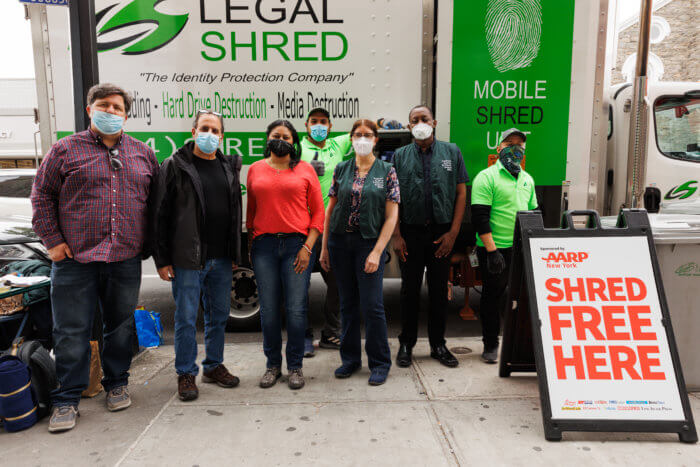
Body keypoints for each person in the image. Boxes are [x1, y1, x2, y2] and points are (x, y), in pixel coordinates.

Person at [31, 83, 159, 433]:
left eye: (118, 108)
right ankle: (67, 398)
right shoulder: (64, 150)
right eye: (104, 105)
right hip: (75, 259)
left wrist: (149, 246)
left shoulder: (142, 154)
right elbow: (41, 197)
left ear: (127, 115)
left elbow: (155, 206)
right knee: (71, 330)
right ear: (90, 110)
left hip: (124, 259)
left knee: (119, 326)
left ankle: (116, 383)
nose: (111, 112)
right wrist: (53, 242)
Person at [151, 110, 243, 401]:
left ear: (222, 135)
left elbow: (235, 211)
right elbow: (160, 215)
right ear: (193, 131)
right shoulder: (175, 165)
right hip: (187, 258)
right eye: (205, 128)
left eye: (215, 130)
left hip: (222, 257)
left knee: (218, 316)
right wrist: (162, 259)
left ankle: (214, 366)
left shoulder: (228, 166)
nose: (210, 134)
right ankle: (186, 373)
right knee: (187, 318)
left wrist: (235, 252)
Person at [319, 119, 399, 386]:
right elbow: (330, 210)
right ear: (351, 139)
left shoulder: (386, 170)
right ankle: (350, 360)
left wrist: (377, 251)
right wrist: (324, 247)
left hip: (368, 244)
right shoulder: (341, 169)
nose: (362, 139)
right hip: (340, 243)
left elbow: (391, 217)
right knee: (347, 305)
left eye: (367, 135)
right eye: (357, 135)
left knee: (372, 306)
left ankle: (379, 363)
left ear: (376, 140)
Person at [246, 120, 324, 390]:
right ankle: (272, 365)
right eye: (276, 135)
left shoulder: (305, 170)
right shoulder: (255, 169)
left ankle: (295, 366)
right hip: (264, 247)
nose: (281, 139)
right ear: (267, 139)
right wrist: (252, 244)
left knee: (295, 309)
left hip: (296, 247)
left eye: (286, 136)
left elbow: (318, 213)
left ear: (294, 141)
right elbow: (251, 213)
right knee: (268, 311)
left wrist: (307, 248)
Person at [392, 105, 468, 368]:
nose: (420, 123)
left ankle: (439, 344)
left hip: (441, 234)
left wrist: (453, 233)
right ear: (409, 126)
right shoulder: (399, 156)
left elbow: (460, 193)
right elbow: (393, 199)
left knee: (438, 292)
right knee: (408, 292)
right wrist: (397, 235)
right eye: (414, 120)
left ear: (434, 122)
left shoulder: (451, 151)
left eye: (424, 118)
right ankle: (406, 344)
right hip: (410, 234)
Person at [471, 128, 538, 363]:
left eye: (519, 145)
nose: (515, 148)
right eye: (510, 143)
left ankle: (519, 343)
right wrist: (492, 252)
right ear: (499, 148)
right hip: (494, 249)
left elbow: (533, 214)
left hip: (520, 248)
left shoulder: (527, 179)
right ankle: (490, 344)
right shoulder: (486, 177)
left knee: (518, 298)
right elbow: (479, 217)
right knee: (492, 296)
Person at [299, 108, 353, 356]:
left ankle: (332, 333)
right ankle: (303, 337)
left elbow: (361, 130)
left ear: (330, 126)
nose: (319, 126)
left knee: (337, 283)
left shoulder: (337, 144)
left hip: (331, 228)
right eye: (314, 122)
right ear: (306, 125)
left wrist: (383, 122)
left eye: (323, 122)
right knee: (299, 284)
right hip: (304, 227)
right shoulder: (297, 148)